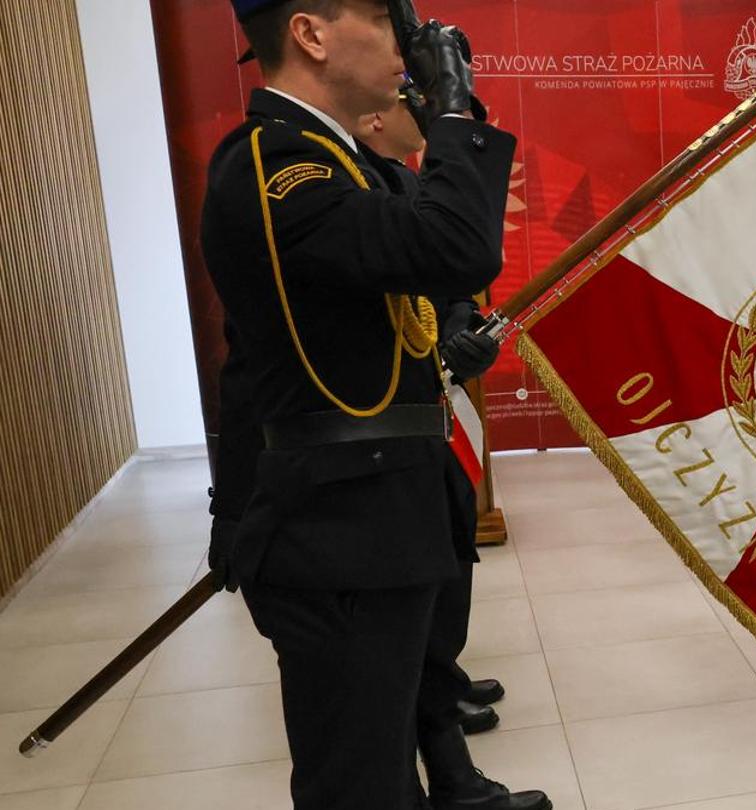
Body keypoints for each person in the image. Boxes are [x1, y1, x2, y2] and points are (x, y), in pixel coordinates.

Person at [202, 1, 520, 807]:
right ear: (310, 34)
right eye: (383, 22)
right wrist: (452, 112)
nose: (406, 51)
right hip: (337, 529)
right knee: (359, 783)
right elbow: (453, 248)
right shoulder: (280, 165)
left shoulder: (333, 159)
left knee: (382, 766)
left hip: (370, 514)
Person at [355, 96, 546, 810]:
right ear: (374, 121)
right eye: (411, 102)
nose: (426, 115)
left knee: (451, 557)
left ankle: (448, 695)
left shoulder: (409, 189)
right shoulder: (344, 191)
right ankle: (447, 758)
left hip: (430, 421)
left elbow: (455, 286)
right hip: (380, 438)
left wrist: (463, 334)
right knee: (408, 611)